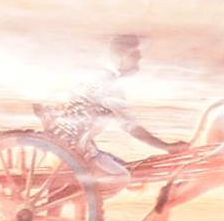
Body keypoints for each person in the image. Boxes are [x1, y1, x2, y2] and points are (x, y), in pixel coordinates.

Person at [37, 34, 183, 191]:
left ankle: (83, 192)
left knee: (129, 171)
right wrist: (166, 147)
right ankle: (82, 193)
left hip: (70, 144)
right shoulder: (109, 86)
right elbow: (131, 127)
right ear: (121, 56)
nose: (139, 58)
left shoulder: (97, 76)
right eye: (135, 54)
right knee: (122, 177)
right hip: (77, 150)